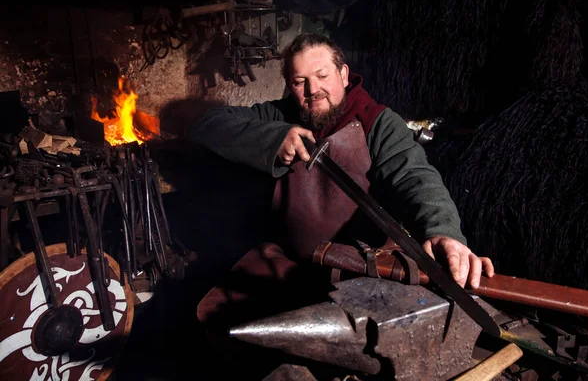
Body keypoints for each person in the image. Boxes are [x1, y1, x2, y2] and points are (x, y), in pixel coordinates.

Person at [189, 33, 494, 330]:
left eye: (323, 76)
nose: (313, 89)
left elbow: (416, 176)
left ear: (344, 75)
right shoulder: (279, 116)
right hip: (291, 264)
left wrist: (443, 231)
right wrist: (273, 140)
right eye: (300, 82)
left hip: (365, 272)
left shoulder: (378, 121)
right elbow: (206, 125)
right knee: (217, 321)